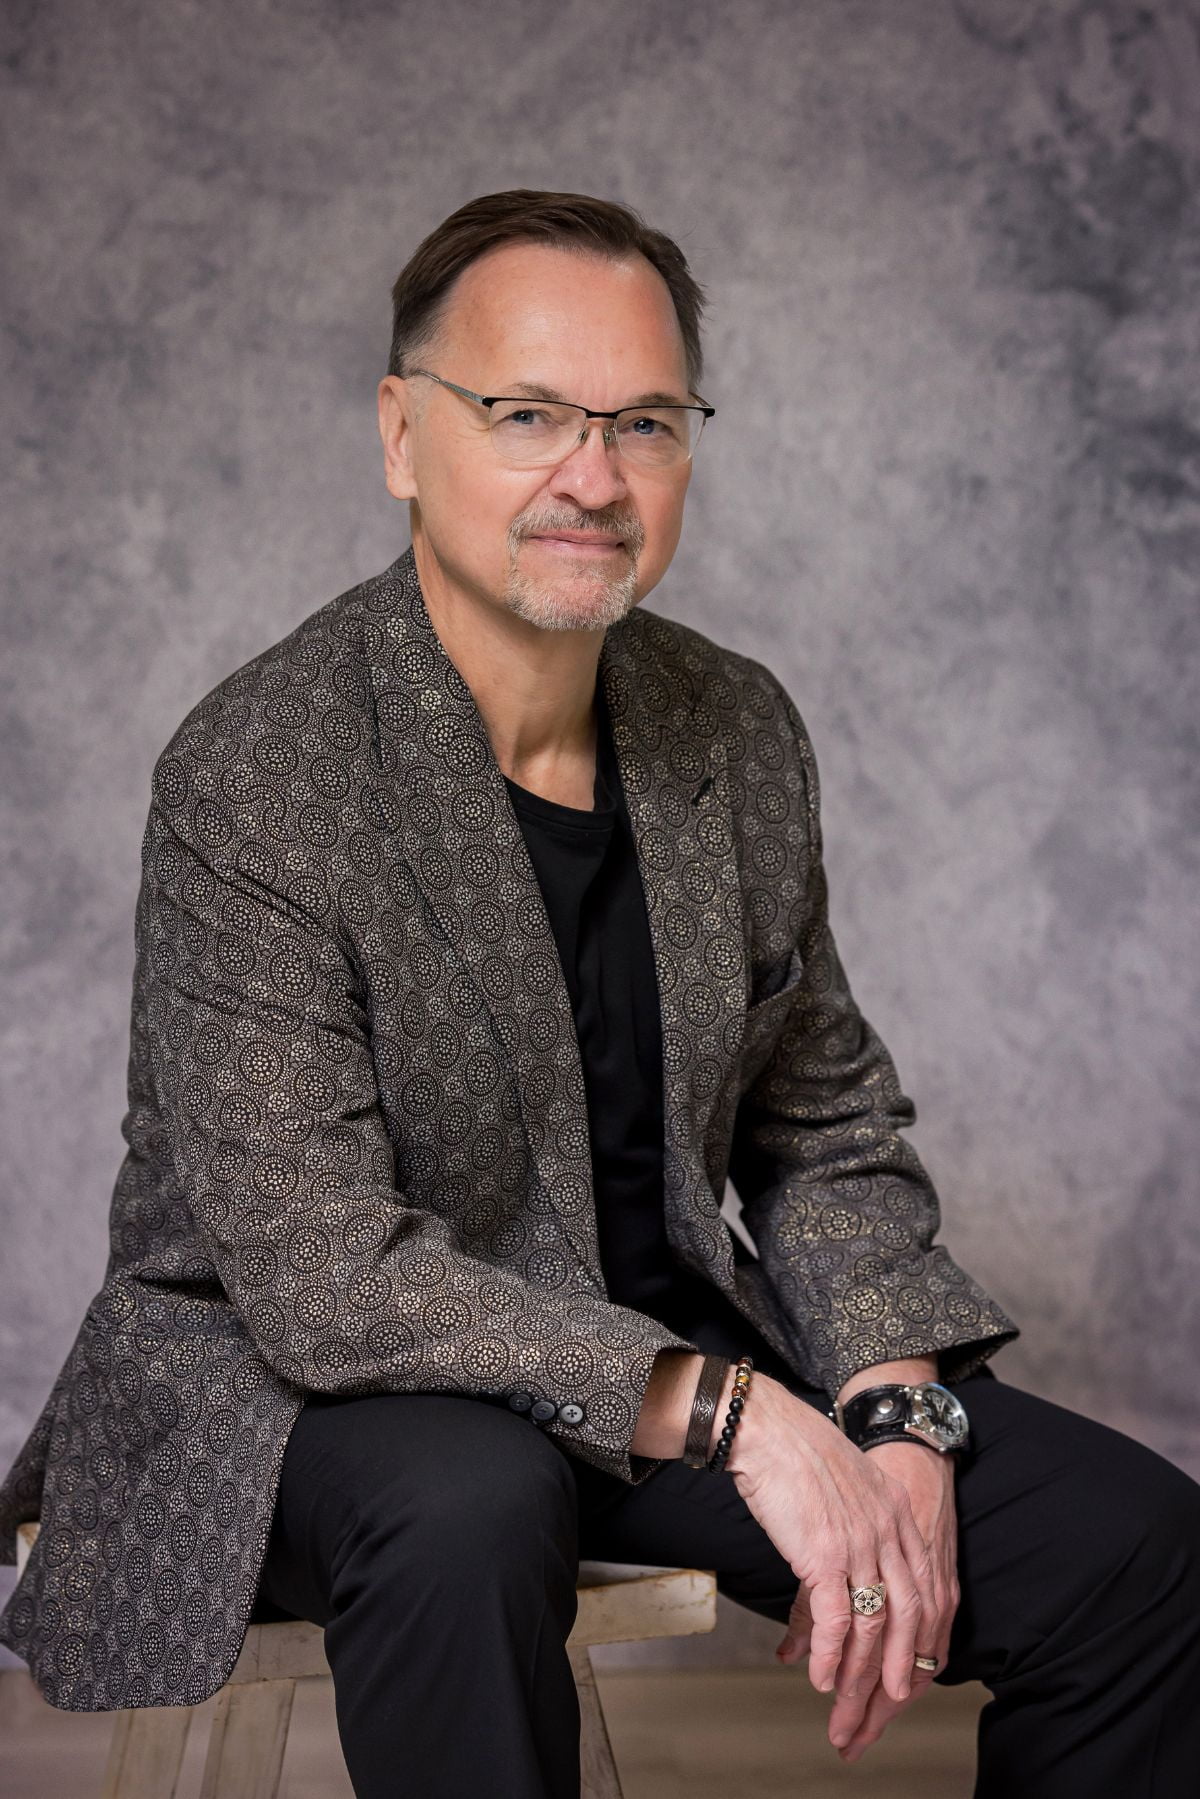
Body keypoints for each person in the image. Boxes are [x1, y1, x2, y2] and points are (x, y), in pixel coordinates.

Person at [1, 188, 1197, 1799]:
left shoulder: (733, 726)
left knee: (1139, 1555)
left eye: (644, 420)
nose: (593, 473)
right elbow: (324, 1273)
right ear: (402, 435)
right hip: (305, 1388)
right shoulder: (261, 772)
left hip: (655, 1374)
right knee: (468, 1505)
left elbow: (820, 1123)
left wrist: (896, 1408)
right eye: (527, 414)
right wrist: (750, 1423)